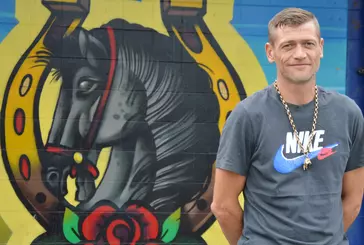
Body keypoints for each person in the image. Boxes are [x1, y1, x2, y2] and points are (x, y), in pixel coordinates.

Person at [211, 7, 364, 245]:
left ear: (321, 47)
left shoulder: (348, 113)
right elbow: (223, 205)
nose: (300, 53)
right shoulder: (248, 116)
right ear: (270, 52)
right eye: (288, 45)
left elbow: (354, 198)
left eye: (308, 44)